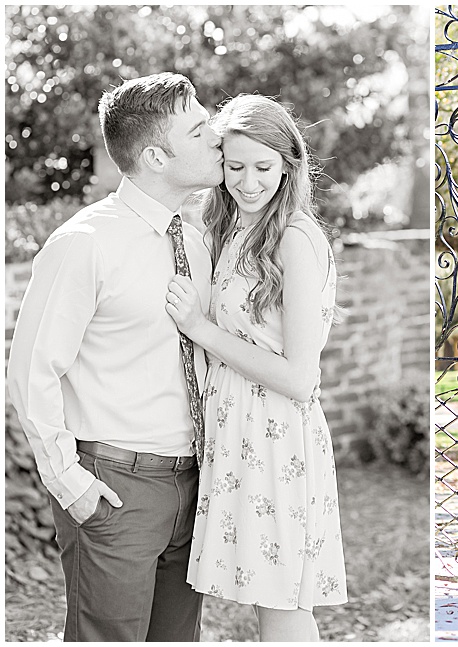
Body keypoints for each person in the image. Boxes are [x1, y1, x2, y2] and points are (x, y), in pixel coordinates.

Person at [7, 72, 223, 641]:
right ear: (156, 155)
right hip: (115, 485)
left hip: (194, 481)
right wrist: (69, 481)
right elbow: (32, 370)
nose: (217, 138)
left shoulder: (199, 239)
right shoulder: (86, 242)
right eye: (200, 130)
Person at [164, 94, 347, 642]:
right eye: (235, 167)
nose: (247, 182)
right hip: (237, 433)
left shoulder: (295, 238)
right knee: (266, 603)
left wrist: (201, 328)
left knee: (282, 605)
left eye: (264, 168)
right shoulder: (232, 231)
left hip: (277, 437)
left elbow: (299, 377)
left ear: (289, 165)